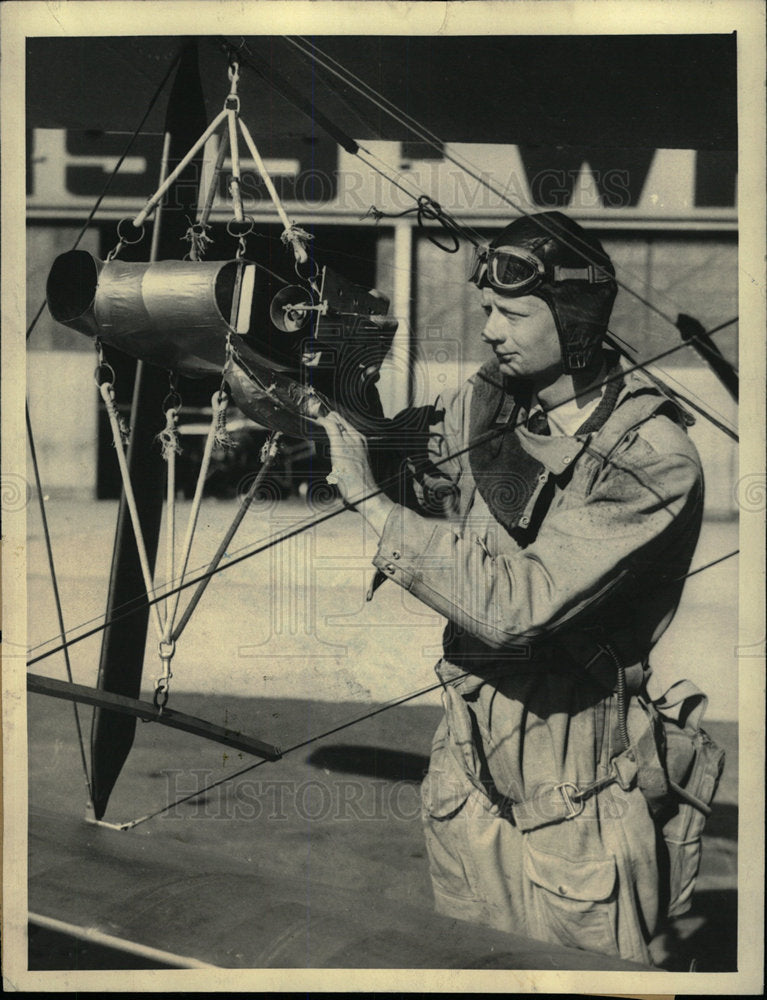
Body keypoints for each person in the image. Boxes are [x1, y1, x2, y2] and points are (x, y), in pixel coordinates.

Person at [316, 211, 720, 967]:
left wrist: (368, 502)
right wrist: (305, 393)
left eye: (510, 312)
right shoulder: (491, 401)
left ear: (571, 319)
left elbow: (517, 607)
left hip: (574, 805)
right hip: (467, 777)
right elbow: (407, 451)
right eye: (484, 312)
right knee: (470, 973)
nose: (490, 330)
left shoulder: (653, 459)